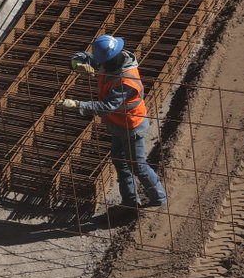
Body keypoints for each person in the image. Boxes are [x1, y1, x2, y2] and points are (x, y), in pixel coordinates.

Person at [57, 34, 167, 212]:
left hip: (132, 126)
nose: (98, 66)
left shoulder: (127, 81)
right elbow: (83, 57)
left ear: (110, 60)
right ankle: (130, 202)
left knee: (138, 166)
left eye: (101, 64)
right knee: (120, 161)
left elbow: (106, 106)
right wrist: (77, 64)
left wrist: (78, 104)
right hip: (117, 125)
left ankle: (158, 198)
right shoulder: (112, 60)